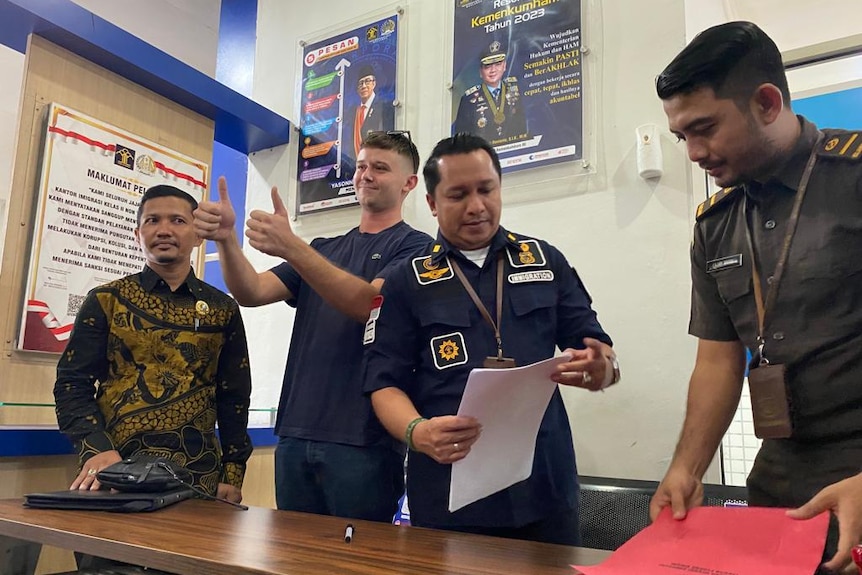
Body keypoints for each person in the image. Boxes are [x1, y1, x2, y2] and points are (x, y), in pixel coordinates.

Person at [648, 21, 862, 573]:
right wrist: (687, 468)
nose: (694, 153)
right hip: (777, 483)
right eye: (681, 137)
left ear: (766, 102)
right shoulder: (715, 224)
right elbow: (718, 359)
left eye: (705, 129)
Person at [361, 133, 620, 544]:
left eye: (487, 190)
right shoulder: (404, 281)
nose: (477, 206)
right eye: (458, 194)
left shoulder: (544, 260)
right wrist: (417, 431)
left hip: (544, 490)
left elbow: (599, 350)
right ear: (431, 203)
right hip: (450, 494)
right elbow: (382, 383)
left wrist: (601, 369)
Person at [193, 131, 430, 522]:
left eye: (381, 168)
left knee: (356, 562)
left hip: (364, 440)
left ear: (409, 183)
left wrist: (292, 247)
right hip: (296, 432)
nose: (366, 175)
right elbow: (251, 291)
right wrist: (226, 242)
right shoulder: (322, 249)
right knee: (293, 558)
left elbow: (370, 305)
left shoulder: (417, 248)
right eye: (363, 165)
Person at [55, 185, 252, 503]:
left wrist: (233, 472)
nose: (163, 230)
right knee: (107, 553)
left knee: (185, 554)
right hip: (114, 472)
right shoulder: (107, 300)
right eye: (152, 221)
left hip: (198, 478)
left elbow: (235, 395)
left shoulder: (221, 308)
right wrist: (97, 448)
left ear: (198, 235)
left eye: (177, 220)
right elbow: (71, 384)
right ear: (137, 233)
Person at [453, 40, 527, 145]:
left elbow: (522, 127)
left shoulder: (516, 91)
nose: (493, 70)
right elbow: (462, 139)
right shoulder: (468, 100)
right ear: (480, 71)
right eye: (487, 66)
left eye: (498, 64)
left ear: (504, 66)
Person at [351, 64, 395, 158]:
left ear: (374, 83)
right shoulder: (353, 113)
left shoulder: (384, 106)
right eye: (360, 83)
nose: (363, 86)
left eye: (367, 81)